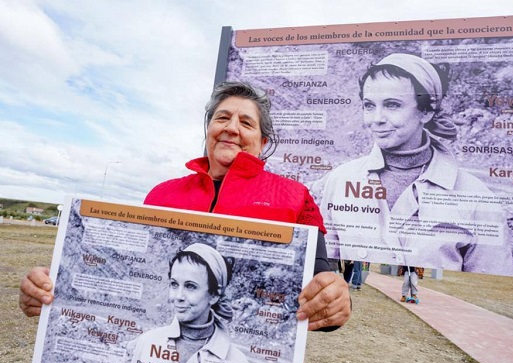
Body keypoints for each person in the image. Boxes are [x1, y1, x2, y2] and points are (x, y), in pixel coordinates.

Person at [19, 81, 351, 332]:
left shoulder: (296, 197)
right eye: (222, 117)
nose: (231, 128)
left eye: (247, 123)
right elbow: (125, 275)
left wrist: (334, 298)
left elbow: (321, 283)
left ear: (263, 142)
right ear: (208, 129)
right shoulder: (161, 195)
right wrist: (52, 289)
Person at [319, 53, 513, 275]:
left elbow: (492, 291)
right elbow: (326, 270)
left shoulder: (477, 197)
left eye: (392, 105)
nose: (377, 118)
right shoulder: (341, 180)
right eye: (369, 105)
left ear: (426, 111)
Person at [123, 243, 256, 363]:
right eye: (174, 284)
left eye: (190, 286)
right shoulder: (147, 344)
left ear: (214, 295)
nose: (178, 296)